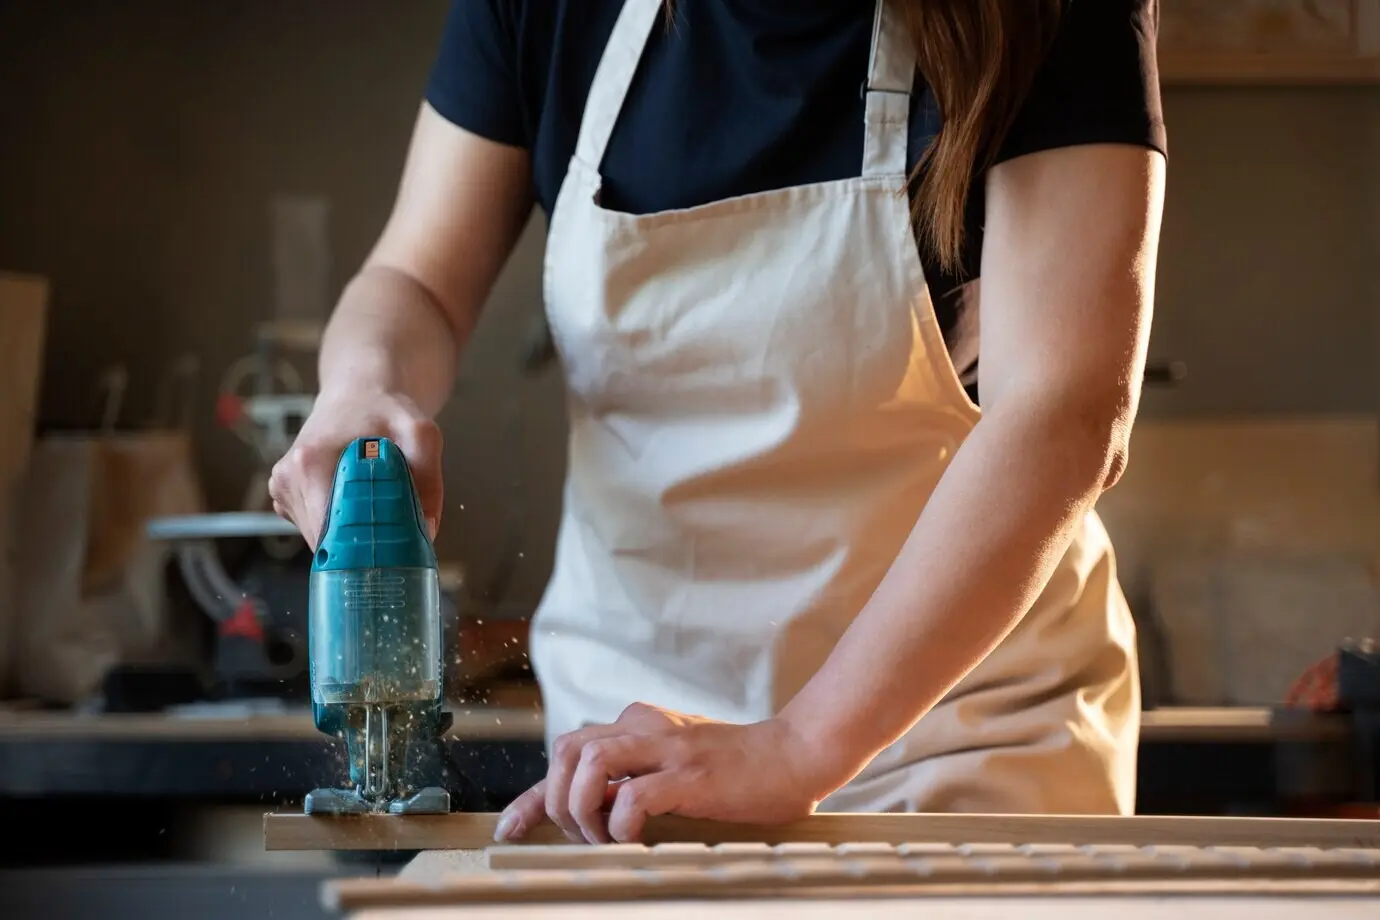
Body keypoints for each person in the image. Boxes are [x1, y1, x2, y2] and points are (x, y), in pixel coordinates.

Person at [270, 0, 1166, 846]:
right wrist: (362, 386)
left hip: (964, 750)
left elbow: (1063, 408)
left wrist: (799, 746)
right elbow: (417, 280)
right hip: (628, 769)